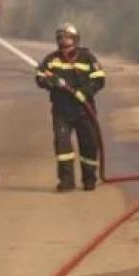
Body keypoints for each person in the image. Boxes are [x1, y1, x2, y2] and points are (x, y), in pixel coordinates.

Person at [35, 22, 106, 191]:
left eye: (68, 37)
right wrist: (51, 81)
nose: (64, 41)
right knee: (63, 147)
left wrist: (85, 92)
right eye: (61, 37)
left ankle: (89, 179)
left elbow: (99, 78)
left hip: (84, 109)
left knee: (89, 145)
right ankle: (66, 181)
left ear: (75, 39)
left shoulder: (87, 57)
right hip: (61, 110)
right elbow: (40, 77)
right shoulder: (52, 59)